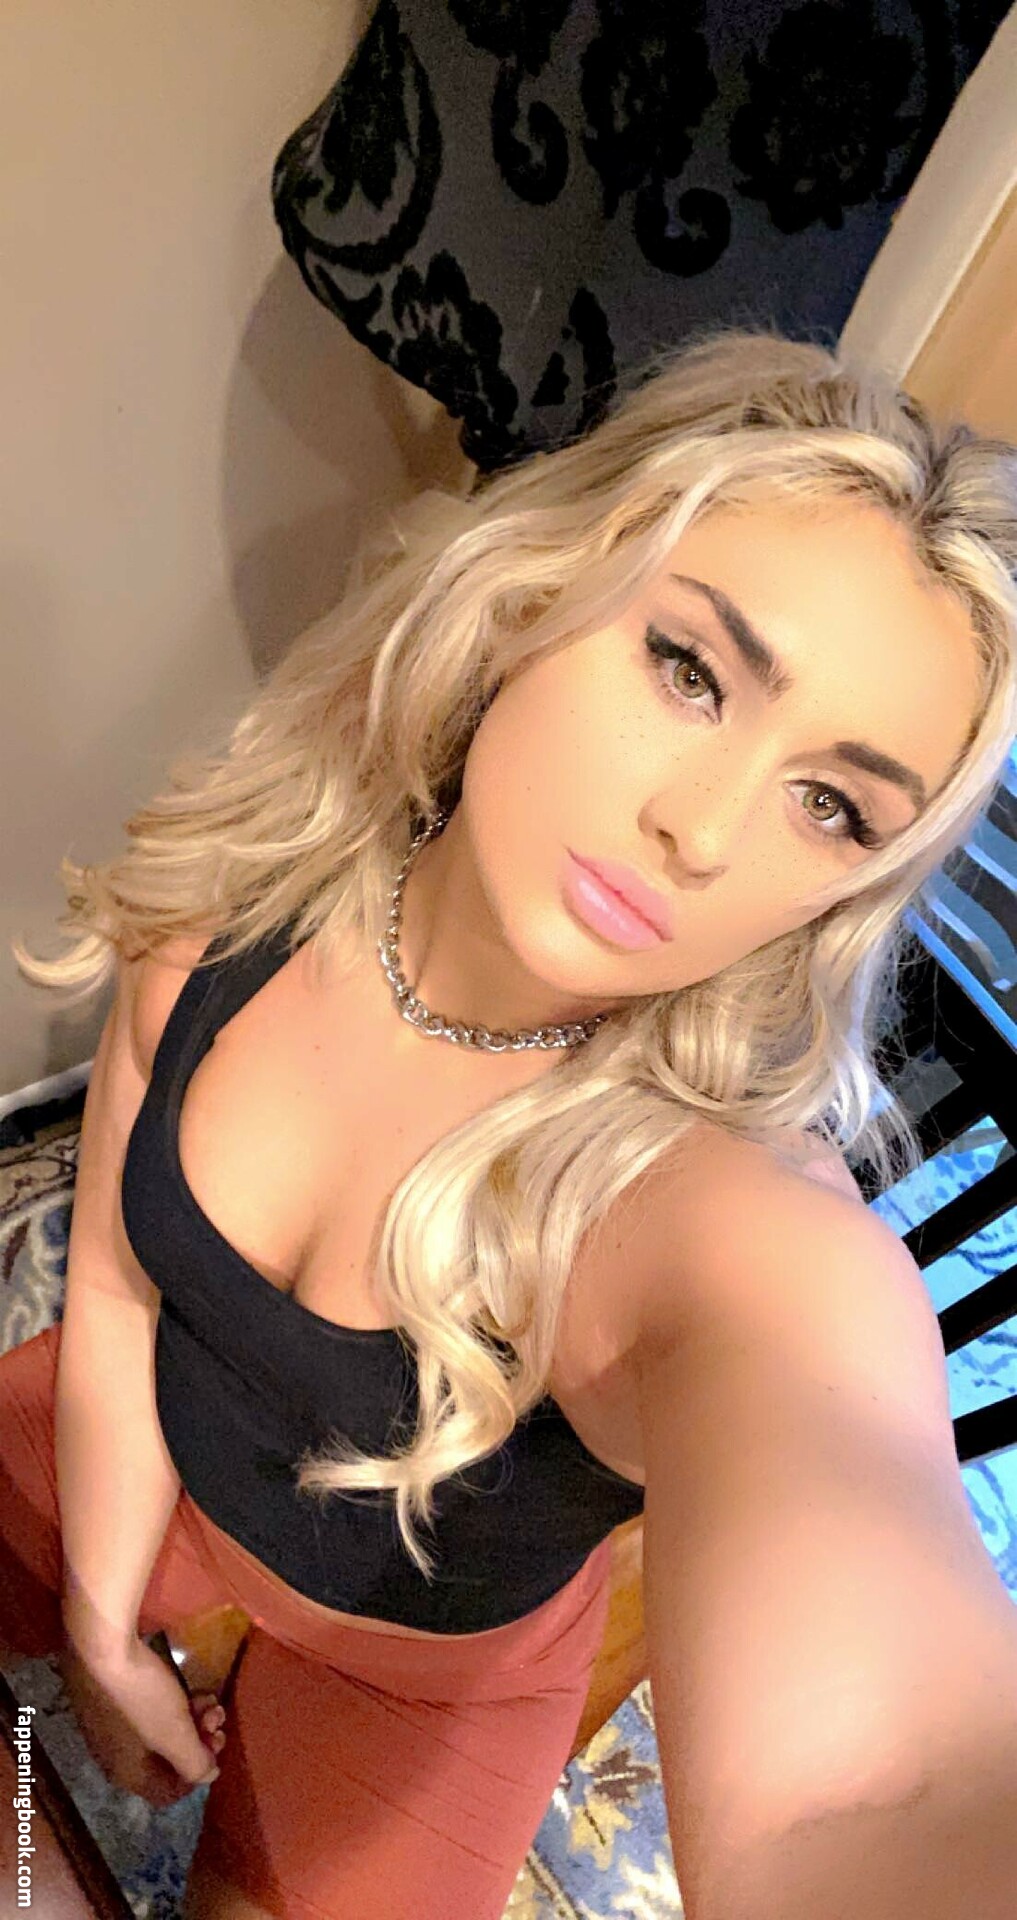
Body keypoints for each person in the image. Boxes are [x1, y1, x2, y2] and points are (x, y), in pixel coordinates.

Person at [2, 323, 1015, 1920]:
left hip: (414, 1683)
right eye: (688, 670)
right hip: (128, 1438)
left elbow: (879, 1791)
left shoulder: (718, 1226)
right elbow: (124, 1282)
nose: (698, 831)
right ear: (537, 592)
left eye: (830, 806)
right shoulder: (237, 893)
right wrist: (102, 1618)